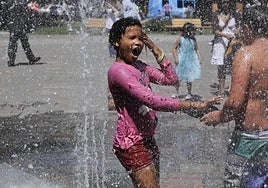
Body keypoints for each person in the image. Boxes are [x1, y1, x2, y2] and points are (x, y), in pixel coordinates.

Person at [108, 17, 222, 188]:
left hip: (147, 138)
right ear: (116, 42)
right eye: (132, 38)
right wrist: (192, 106)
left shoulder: (139, 66)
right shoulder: (118, 71)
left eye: (141, 38)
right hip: (131, 142)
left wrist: (153, 47)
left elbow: (171, 79)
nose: (138, 43)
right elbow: (152, 100)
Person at [201, 5, 268, 188]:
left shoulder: (246, 54)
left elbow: (235, 102)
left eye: (240, 29)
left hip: (248, 140)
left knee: (236, 183)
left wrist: (219, 116)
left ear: (247, 28)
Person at [210, 0, 236, 97]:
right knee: (221, 67)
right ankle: (221, 89)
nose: (226, 4)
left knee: (233, 66)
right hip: (220, 43)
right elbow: (215, 31)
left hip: (232, 43)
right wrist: (225, 35)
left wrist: (236, 33)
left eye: (228, 2)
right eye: (224, 2)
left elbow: (235, 28)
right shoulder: (216, 15)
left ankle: (232, 88)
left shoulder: (234, 15)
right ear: (221, 4)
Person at [171, 22, 201, 100]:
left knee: (189, 78)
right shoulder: (180, 39)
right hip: (182, 59)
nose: (193, 32)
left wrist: (199, 57)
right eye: (192, 30)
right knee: (178, 77)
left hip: (191, 59)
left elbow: (196, 49)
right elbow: (174, 48)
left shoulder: (193, 39)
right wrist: (176, 58)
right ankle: (176, 92)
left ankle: (189, 92)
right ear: (187, 31)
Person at [7, 0, 41, 67]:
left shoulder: (14, 4)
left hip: (17, 27)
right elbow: (28, 16)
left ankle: (11, 61)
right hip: (19, 27)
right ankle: (30, 59)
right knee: (21, 45)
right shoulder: (19, 5)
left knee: (16, 45)